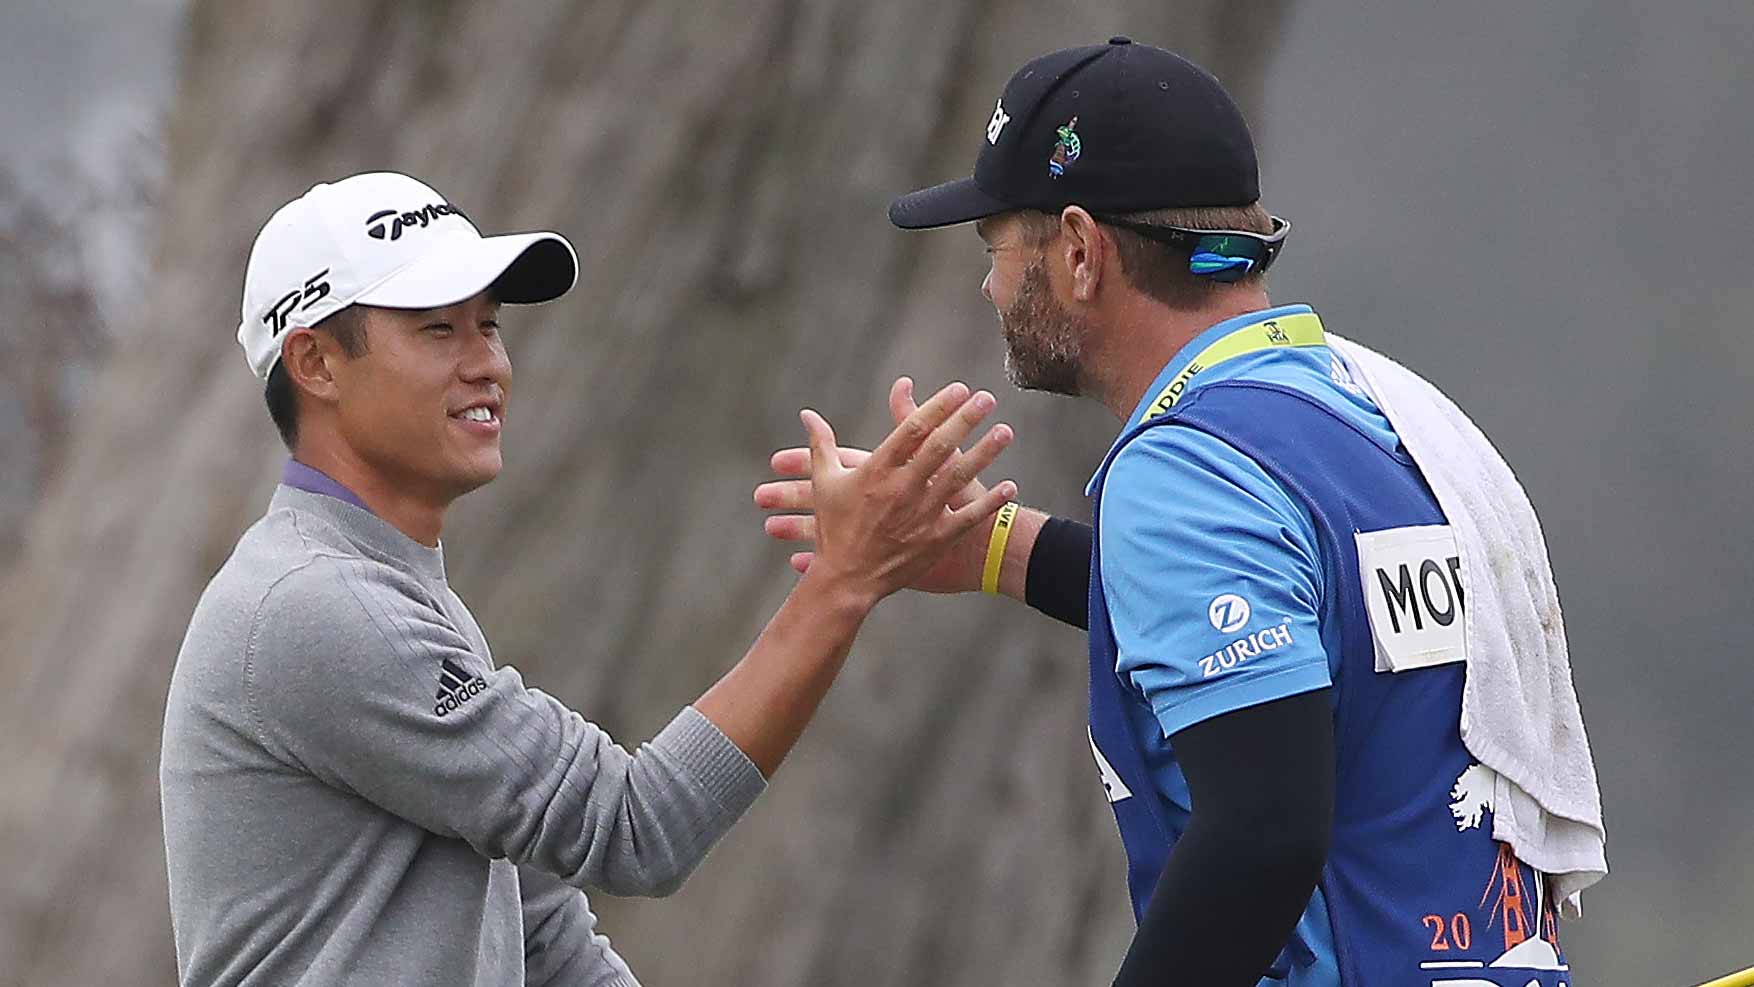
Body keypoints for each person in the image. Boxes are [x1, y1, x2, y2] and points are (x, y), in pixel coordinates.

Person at [758, 39, 1605, 987]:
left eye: (994, 246)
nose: (989, 284)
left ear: (1079, 253)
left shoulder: (1183, 470)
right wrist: (999, 549)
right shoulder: (1371, 409)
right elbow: (1301, 633)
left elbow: (1263, 834)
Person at [159, 170, 1018, 987]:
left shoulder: (390, 591)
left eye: (488, 323)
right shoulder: (318, 604)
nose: (486, 362)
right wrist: (843, 580)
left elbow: (540, 929)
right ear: (314, 363)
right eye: (436, 328)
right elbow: (635, 824)